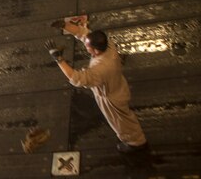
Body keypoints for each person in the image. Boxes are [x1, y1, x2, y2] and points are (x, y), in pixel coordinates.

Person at [46, 25, 148, 153]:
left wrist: (59, 60)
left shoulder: (101, 69)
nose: (86, 48)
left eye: (88, 47)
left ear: (96, 51)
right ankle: (134, 139)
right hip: (118, 85)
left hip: (110, 98)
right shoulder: (108, 45)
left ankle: (136, 143)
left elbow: (77, 78)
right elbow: (84, 33)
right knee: (124, 118)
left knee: (121, 122)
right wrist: (65, 25)